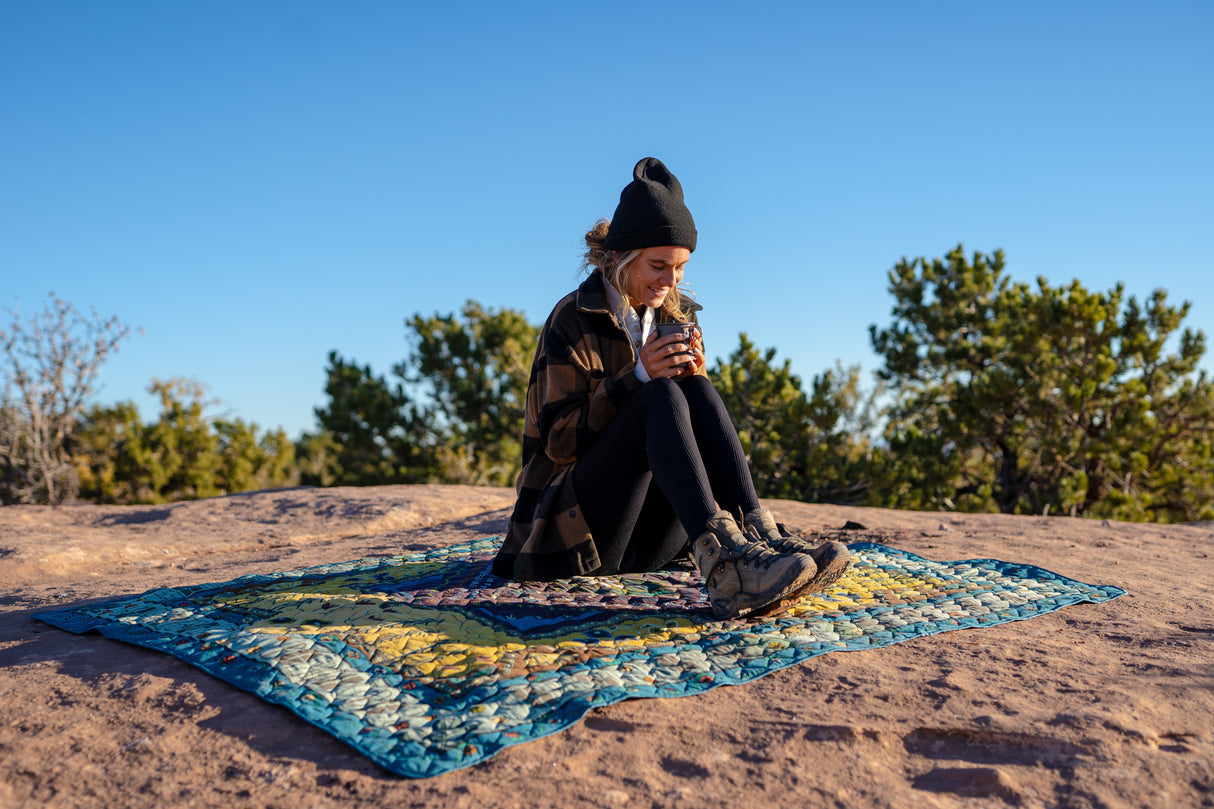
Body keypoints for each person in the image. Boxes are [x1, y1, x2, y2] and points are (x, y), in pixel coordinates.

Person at [491, 157, 850, 619]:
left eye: (679, 268)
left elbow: (684, 420)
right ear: (619, 258)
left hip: (649, 539)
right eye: (659, 266)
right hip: (571, 541)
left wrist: (693, 377)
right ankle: (728, 574)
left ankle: (760, 540)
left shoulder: (672, 314)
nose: (670, 282)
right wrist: (637, 377)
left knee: (695, 392)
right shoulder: (573, 319)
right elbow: (559, 444)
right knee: (657, 395)